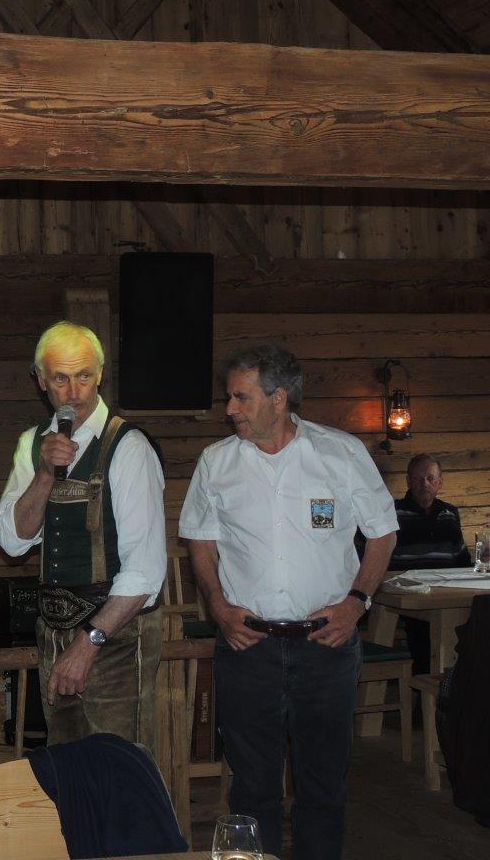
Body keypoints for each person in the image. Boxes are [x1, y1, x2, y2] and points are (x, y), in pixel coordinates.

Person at [179, 345, 397, 860]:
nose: (229, 409)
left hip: (327, 647)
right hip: (247, 646)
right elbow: (199, 540)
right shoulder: (216, 462)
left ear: (279, 398)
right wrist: (217, 606)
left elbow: (383, 533)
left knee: (323, 786)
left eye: (241, 397)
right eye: (229, 397)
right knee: (253, 788)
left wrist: (357, 603)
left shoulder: (341, 454)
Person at [0, 321, 166, 747]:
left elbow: (144, 571)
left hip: (116, 635)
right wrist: (44, 475)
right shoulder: (32, 444)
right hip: (53, 632)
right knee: (68, 768)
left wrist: (89, 642)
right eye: (61, 379)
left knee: (118, 765)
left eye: (84, 375)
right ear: (40, 381)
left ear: (100, 374)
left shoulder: (129, 447)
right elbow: (12, 540)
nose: (74, 393)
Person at [390, 453, 470, 673]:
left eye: (430, 478)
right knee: (424, 630)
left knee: (476, 619)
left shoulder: (449, 513)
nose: (424, 484)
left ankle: (459, 685)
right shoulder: (392, 512)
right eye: (417, 479)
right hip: (409, 595)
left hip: (447, 593)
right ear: (408, 482)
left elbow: (461, 558)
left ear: (439, 482)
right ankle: (427, 688)